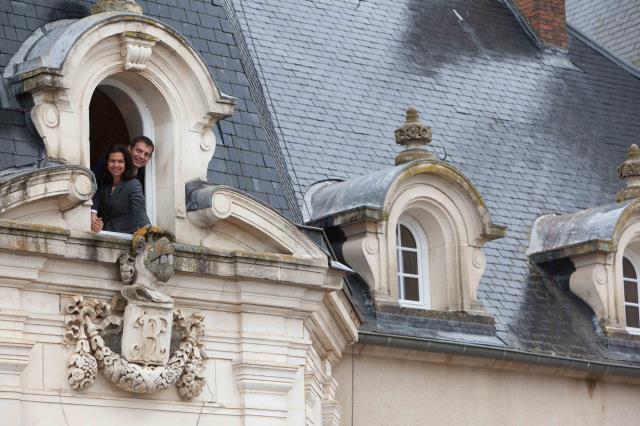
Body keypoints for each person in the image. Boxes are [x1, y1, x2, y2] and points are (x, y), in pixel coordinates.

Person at [91, 145, 150, 234]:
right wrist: (93, 214)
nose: (116, 165)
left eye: (120, 161)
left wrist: (148, 232)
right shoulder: (105, 184)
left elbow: (139, 210)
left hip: (125, 237)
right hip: (106, 235)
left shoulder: (133, 184)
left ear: (126, 163)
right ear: (107, 163)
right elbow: (96, 199)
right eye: (112, 161)